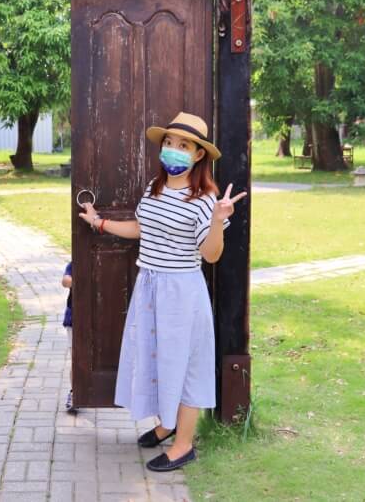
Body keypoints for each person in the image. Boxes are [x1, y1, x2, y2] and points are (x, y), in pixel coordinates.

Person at [77, 112, 246, 472]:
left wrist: (218, 220)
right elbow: (142, 229)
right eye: (169, 143)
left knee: (184, 366)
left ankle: (183, 445)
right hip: (150, 285)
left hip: (181, 293)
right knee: (156, 358)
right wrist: (100, 222)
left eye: (183, 145)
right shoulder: (155, 188)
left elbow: (211, 254)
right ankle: (167, 425)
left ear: (198, 155)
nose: (173, 150)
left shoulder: (204, 200)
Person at [61, 260, 76, 414]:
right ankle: (75, 391)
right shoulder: (74, 264)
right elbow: (65, 281)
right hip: (75, 320)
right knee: (76, 358)